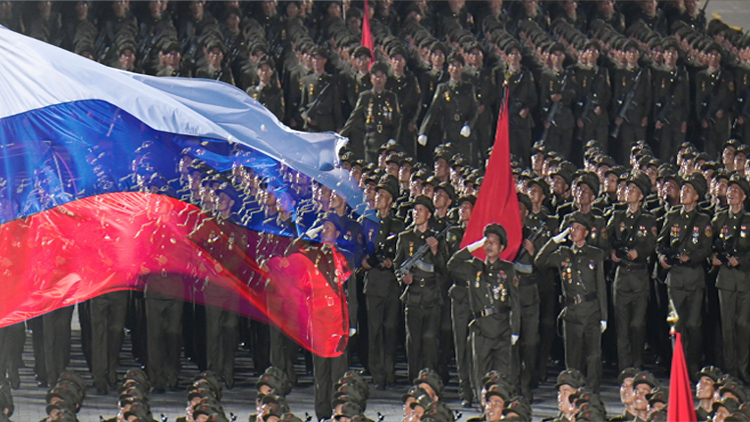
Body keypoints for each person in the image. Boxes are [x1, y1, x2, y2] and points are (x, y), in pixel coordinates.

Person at [536, 212, 607, 393]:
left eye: (577, 228)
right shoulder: (563, 254)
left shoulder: (595, 254)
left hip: (591, 310)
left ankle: (592, 392)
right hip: (572, 312)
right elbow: (539, 260)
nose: (573, 231)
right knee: (573, 358)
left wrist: (604, 316)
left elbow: (601, 287)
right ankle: (574, 392)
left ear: (586, 232)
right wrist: (555, 240)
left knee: (593, 356)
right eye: (571, 228)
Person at [448, 223, 520, 402]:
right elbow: (452, 264)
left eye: (493, 242)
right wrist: (474, 246)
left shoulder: (508, 269)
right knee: (480, 374)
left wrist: (515, 330)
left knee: (503, 375)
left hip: (502, 327)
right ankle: (484, 408)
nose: (489, 246)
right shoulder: (474, 268)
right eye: (486, 242)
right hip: (481, 329)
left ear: (502, 247)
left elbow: (516, 303)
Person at [657, 174, 712, 377]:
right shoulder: (672, 216)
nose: (683, 193)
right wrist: (662, 256)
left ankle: (692, 364)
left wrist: (691, 257)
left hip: (694, 276)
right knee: (675, 324)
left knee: (694, 325)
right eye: (683, 190)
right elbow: (660, 242)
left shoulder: (703, 219)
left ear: (696, 196)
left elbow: (706, 248)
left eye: (688, 190)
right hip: (676, 278)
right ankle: (677, 365)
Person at [606, 173, 657, 371]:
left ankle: (637, 363)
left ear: (642, 196)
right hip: (622, 275)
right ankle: (624, 368)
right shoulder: (617, 216)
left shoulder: (648, 219)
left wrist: (640, 252)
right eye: (628, 189)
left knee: (637, 324)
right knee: (622, 327)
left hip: (639, 275)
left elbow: (652, 244)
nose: (629, 192)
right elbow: (606, 238)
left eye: (634, 190)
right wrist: (612, 252)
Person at [394, 195, 447, 382]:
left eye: (421, 210)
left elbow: (444, 267)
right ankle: (414, 381)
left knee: (431, 341)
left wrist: (435, 251)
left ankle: (431, 381)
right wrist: (403, 279)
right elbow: (397, 265)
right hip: (413, 296)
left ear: (429, 214)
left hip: (432, 296)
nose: (416, 213)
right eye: (414, 210)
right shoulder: (405, 237)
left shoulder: (436, 239)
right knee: (413, 342)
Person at [710, 175, 750, 382]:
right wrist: (713, 258)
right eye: (730, 190)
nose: (731, 193)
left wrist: (741, 260)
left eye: (736, 191)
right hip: (725, 279)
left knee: (743, 325)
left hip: (744, 279)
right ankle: (730, 371)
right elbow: (709, 246)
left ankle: (743, 369)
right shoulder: (719, 219)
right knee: (726, 327)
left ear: (743, 196)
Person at [340, 61, 401, 163]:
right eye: (375, 76)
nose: (378, 79)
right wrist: (342, 136)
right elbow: (354, 117)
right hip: (371, 140)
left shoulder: (391, 97)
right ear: (371, 78)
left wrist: (393, 139)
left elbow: (397, 120)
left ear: (385, 78)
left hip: (387, 141)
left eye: (381, 76)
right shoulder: (365, 96)